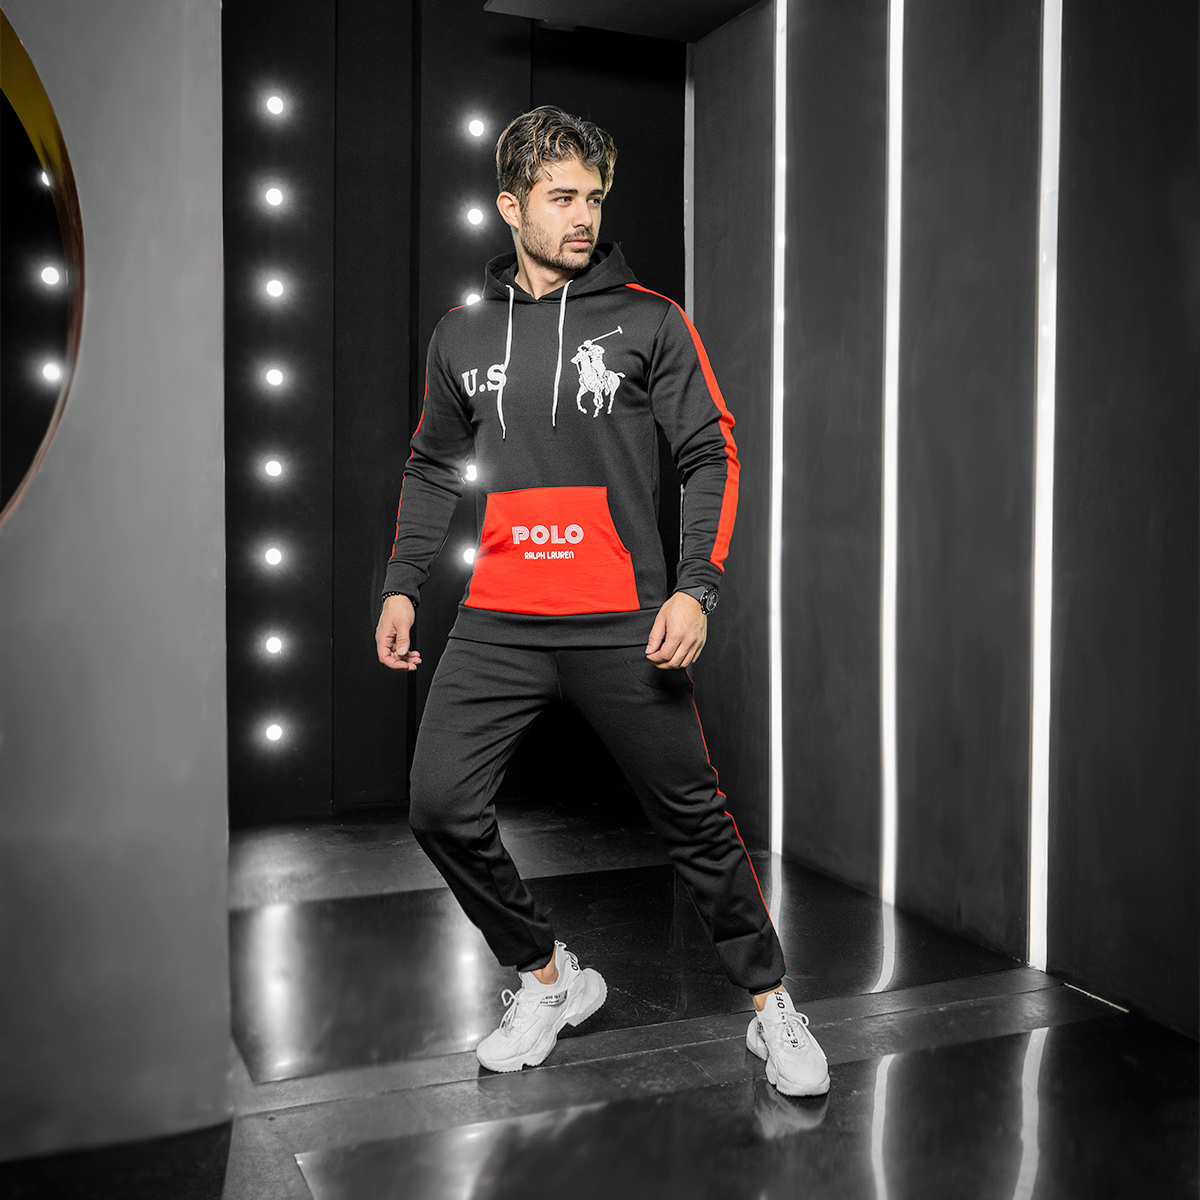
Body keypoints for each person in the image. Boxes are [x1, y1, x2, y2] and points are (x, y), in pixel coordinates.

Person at [375, 106, 828, 1098]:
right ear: (510, 207)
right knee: (439, 808)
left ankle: (771, 1008)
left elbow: (711, 452)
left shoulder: (649, 320)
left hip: (624, 622)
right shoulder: (461, 335)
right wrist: (403, 583)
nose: (583, 217)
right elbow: (432, 467)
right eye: (561, 198)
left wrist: (696, 588)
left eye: (594, 198)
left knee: (697, 824)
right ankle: (549, 977)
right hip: (499, 620)